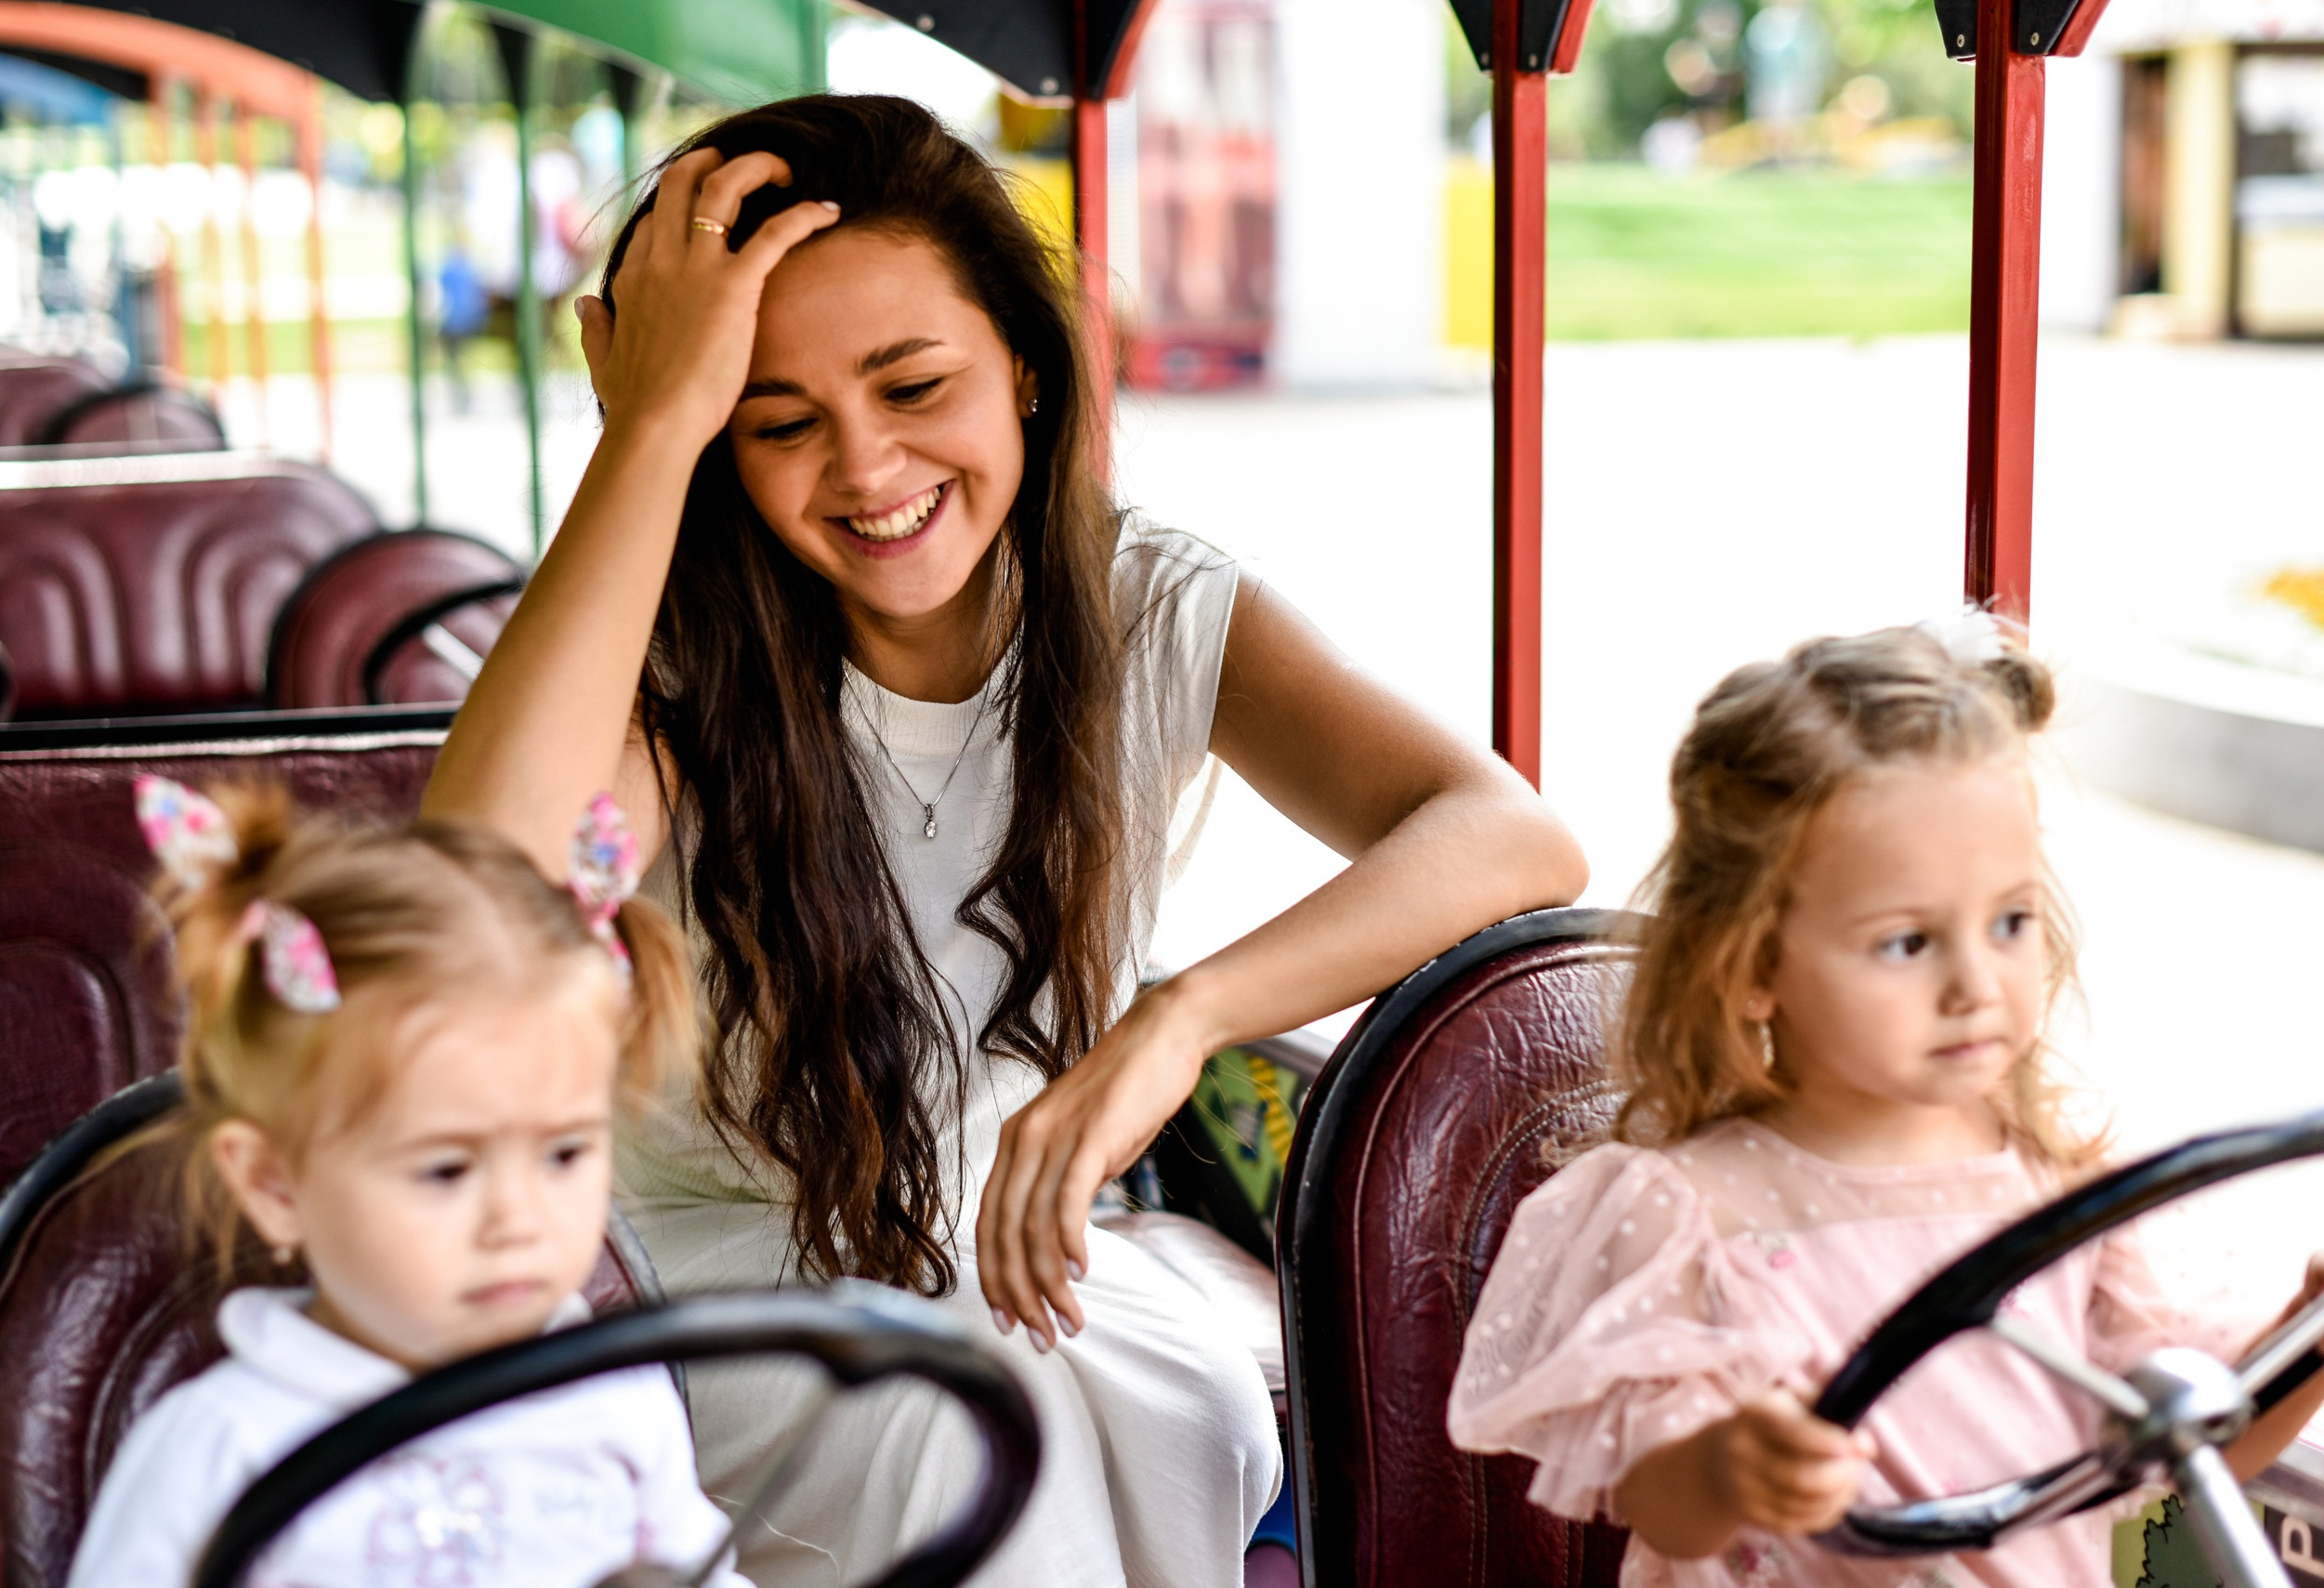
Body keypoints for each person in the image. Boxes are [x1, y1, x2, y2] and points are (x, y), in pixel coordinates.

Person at [422, 93, 1589, 1588]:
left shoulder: (1143, 600)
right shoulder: (665, 653)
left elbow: (1508, 833)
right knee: (964, 1421)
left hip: (1020, 1266)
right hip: (706, 1294)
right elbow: (476, 900)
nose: (864, 469)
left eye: (915, 385)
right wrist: (650, 423)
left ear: (1026, 370)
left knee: (1161, 1405)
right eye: (776, 421)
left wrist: (1185, 1018)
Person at [1446, 618, 2324, 1586]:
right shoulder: (1685, 1209)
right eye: (1908, 942)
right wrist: (1733, 1461)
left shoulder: (2064, 1188)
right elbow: (1664, 1504)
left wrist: (2310, 1333)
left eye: (2009, 921)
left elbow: (2190, 1450)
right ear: (1749, 965)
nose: (1974, 984)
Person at [68, 780, 742, 1588]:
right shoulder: (223, 1447)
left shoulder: (615, 1392)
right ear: (276, 1185)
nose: (517, 1219)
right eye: (447, 1169)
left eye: (564, 1155)